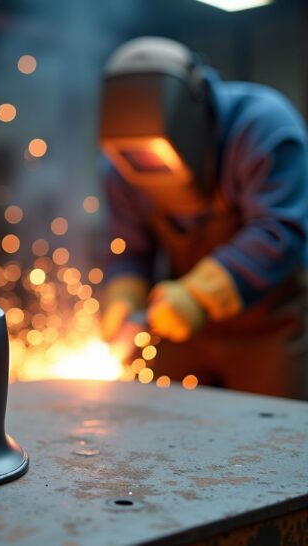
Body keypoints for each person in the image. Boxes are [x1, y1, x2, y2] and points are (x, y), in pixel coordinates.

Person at [99, 36, 308, 398]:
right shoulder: (119, 166)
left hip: (270, 328)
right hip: (183, 329)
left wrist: (198, 295)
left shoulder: (262, 127)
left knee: (275, 440)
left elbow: (279, 231)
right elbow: (129, 248)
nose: (147, 167)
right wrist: (124, 295)